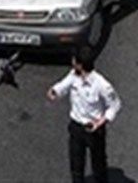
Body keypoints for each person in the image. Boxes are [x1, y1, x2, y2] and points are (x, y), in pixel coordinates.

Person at [47, 46, 121, 183]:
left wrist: (100, 122)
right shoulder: (73, 75)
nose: (72, 62)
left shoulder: (101, 85)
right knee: (76, 165)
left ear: (80, 65)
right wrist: (55, 91)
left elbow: (115, 105)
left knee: (98, 166)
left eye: (74, 60)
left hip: (93, 129)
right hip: (76, 127)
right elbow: (63, 85)